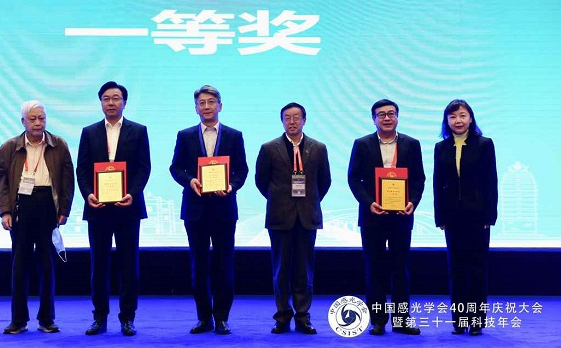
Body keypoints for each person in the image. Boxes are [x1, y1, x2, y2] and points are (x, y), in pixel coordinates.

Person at [170, 85, 249, 335]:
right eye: (201, 103)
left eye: (211, 102)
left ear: (220, 106)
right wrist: (190, 180)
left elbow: (242, 170)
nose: (206, 106)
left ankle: (222, 318)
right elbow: (176, 168)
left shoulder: (234, 136)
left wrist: (231, 186)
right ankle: (203, 318)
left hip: (224, 209)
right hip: (195, 210)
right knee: (199, 265)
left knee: (225, 265)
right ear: (196, 108)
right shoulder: (185, 135)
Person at [0, 100, 74, 335]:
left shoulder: (59, 145)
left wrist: (64, 210)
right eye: (33, 119)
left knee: (47, 265)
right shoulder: (10, 147)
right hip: (21, 207)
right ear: (23, 121)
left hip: (48, 205)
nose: (38, 123)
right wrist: (5, 211)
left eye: (42, 118)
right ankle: (18, 320)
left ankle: (47, 319)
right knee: (20, 265)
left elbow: (68, 180)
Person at [77, 81, 151, 337]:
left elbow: (144, 167)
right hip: (97, 208)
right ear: (101, 103)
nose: (111, 102)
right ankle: (99, 318)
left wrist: (132, 193)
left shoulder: (138, 131)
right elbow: (82, 169)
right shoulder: (89, 132)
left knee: (129, 265)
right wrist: (88, 194)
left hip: (128, 207)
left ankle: (128, 318)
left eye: (116, 98)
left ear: (124, 102)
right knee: (98, 265)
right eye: (106, 98)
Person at [347, 99, 425, 336]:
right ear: (374, 120)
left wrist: (412, 202)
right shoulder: (362, 144)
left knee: (401, 269)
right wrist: (369, 202)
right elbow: (354, 179)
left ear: (398, 117)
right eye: (381, 114)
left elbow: (419, 179)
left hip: (402, 216)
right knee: (375, 269)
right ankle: (378, 320)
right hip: (373, 216)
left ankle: (401, 320)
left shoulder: (411, 144)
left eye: (391, 113)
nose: (387, 118)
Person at [255, 102, 331, 335]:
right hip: (279, 216)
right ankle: (282, 316)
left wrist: (307, 201)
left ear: (304, 120)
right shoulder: (269, 148)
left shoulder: (319, 148)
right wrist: (281, 200)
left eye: (296, 117)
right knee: (281, 269)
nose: (292, 121)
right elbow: (261, 181)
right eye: (287, 118)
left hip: (307, 215)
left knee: (304, 269)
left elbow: (324, 181)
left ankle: (303, 317)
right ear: (282, 121)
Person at [434, 99, 498, 336]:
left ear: (470, 118)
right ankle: (460, 321)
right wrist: (440, 216)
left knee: (477, 269)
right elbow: (438, 184)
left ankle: (477, 320)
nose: (458, 121)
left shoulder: (484, 144)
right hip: (452, 218)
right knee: (457, 269)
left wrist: (490, 215)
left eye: (462, 115)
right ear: (447, 121)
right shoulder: (441, 147)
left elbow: (491, 182)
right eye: (452, 117)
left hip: (478, 217)